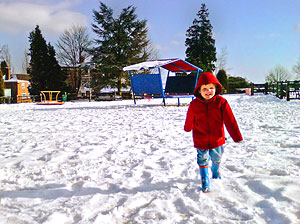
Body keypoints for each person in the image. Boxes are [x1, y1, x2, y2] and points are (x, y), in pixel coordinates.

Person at [184, 72, 243, 193]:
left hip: (217, 138)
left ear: (216, 88)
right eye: (204, 88)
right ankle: (205, 180)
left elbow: (230, 120)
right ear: (199, 90)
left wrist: (236, 136)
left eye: (211, 88)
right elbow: (189, 118)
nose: (208, 91)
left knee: (217, 157)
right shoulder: (194, 104)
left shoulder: (221, 103)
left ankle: (215, 171)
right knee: (202, 159)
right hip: (200, 138)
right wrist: (188, 127)